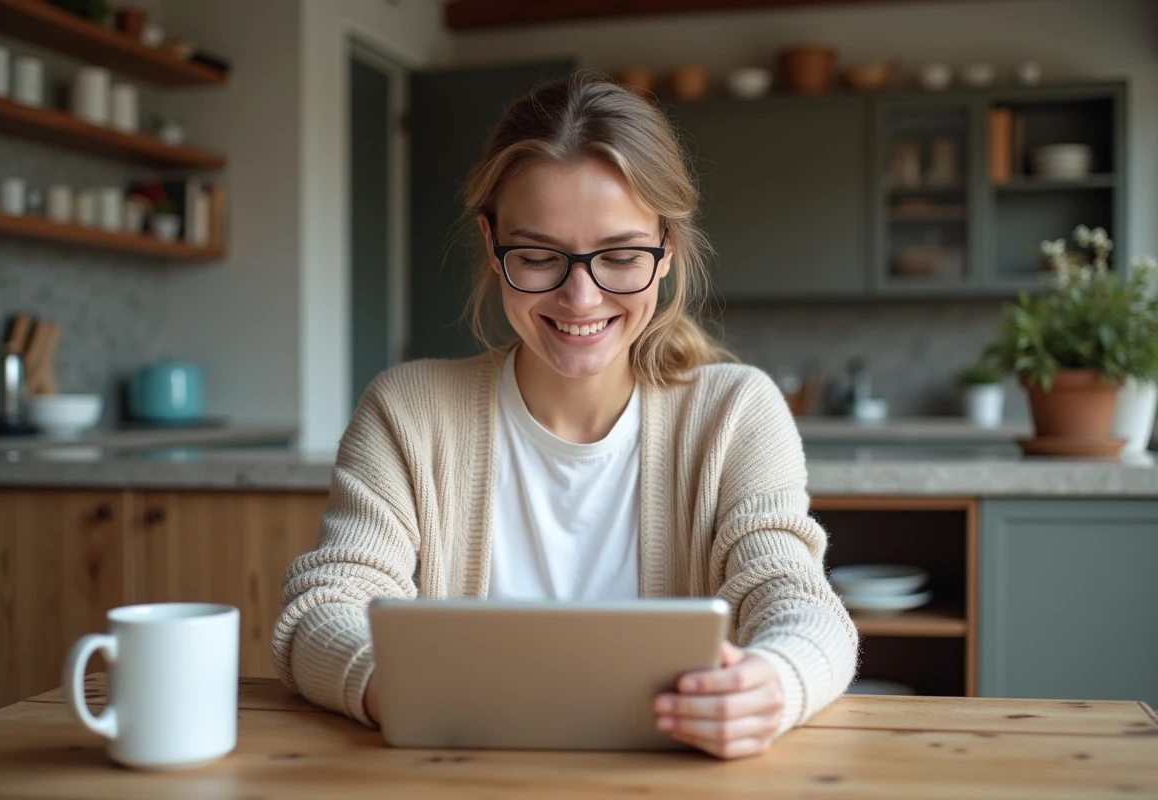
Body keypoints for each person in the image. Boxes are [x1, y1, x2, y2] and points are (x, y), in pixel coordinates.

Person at [272, 71, 858, 760]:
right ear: (493, 245)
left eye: (621, 256)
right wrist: (392, 687)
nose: (580, 297)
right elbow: (324, 606)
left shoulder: (735, 413)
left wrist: (777, 680)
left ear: (666, 250)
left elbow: (795, 597)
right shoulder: (407, 412)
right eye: (539, 256)